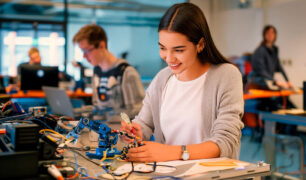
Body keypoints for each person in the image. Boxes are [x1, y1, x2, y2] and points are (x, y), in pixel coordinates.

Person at [120, 3, 244, 162]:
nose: (169, 58)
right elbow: (144, 123)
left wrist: (172, 153)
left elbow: (226, 142)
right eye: (163, 48)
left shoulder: (226, 75)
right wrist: (135, 131)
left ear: (200, 44)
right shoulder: (162, 79)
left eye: (178, 50)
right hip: (167, 174)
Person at [73, 24, 145, 123]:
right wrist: (77, 112)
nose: (84, 56)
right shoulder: (97, 71)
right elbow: (97, 106)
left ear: (102, 46)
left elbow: (138, 112)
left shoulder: (126, 72)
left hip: (120, 132)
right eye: (82, 51)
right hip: (102, 129)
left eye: (87, 50)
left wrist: (111, 118)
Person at [249, 25, 293, 90]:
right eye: (268, 33)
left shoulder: (275, 50)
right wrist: (275, 81)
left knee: (284, 94)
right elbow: (261, 71)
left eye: (272, 32)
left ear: (275, 35)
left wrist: (288, 81)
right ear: (264, 35)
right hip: (260, 82)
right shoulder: (260, 51)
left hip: (269, 81)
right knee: (277, 97)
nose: (270, 35)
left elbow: (279, 66)